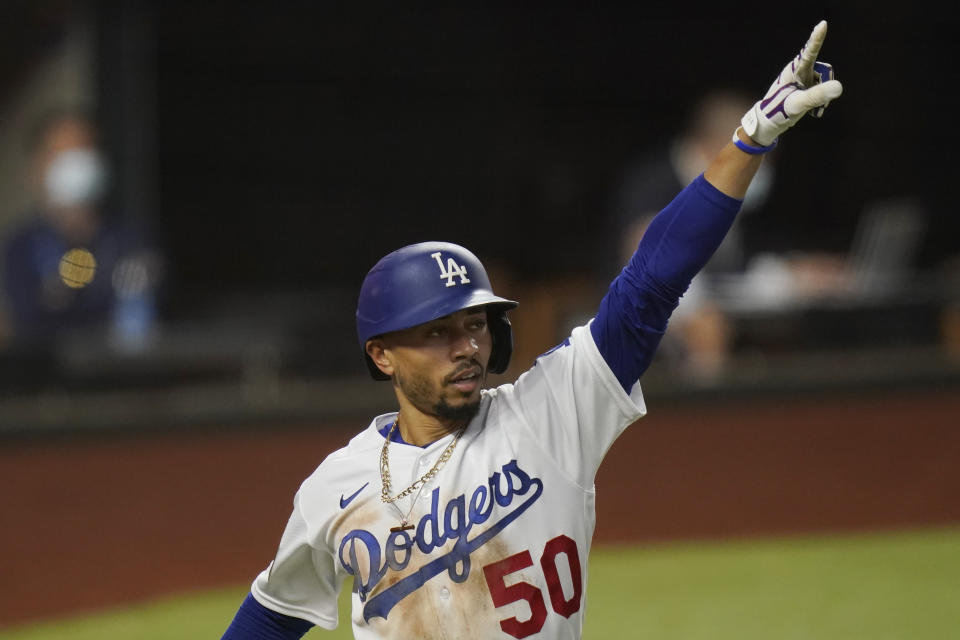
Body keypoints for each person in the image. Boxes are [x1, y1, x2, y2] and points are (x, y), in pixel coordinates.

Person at [222, 20, 842, 639]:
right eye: (438, 333)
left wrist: (750, 138)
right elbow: (270, 618)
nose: (466, 346)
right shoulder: (336, 486)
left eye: (475, 326)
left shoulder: (551, 414)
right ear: (382, 355)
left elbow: (650, 281)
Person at [1, 109, 159, 350]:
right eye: (62, 156)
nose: (75, 166)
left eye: (84, 153)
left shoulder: (132, 242)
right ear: (36, 167)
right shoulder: (17, 249)